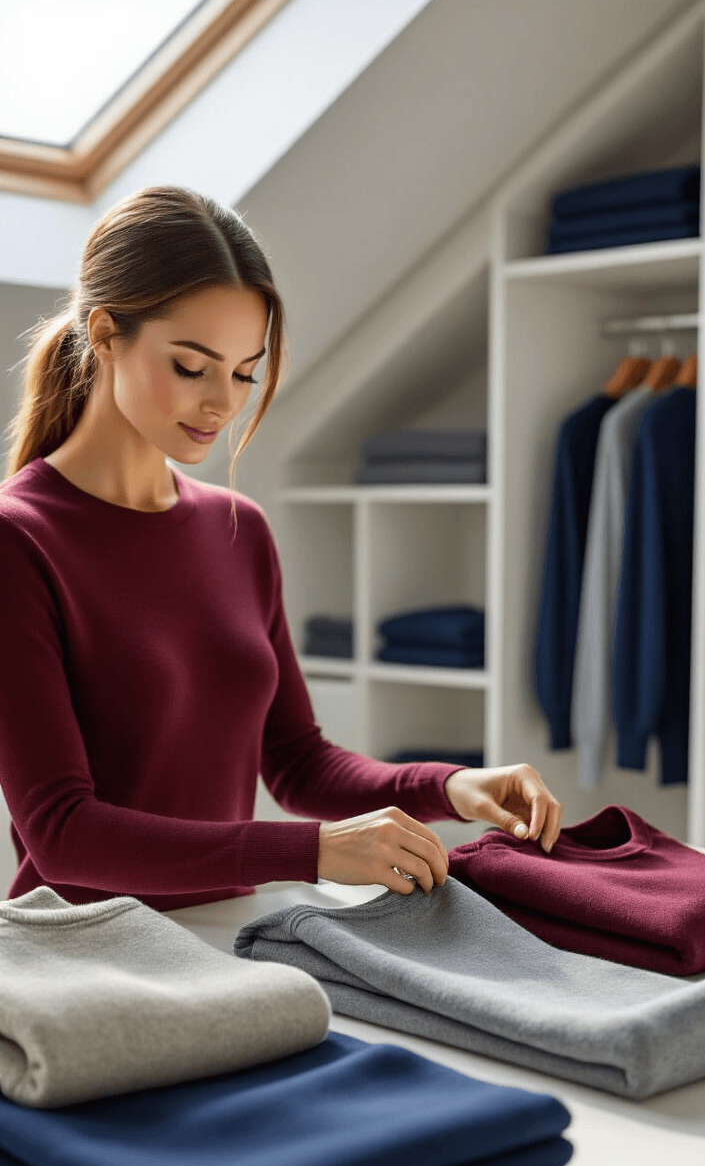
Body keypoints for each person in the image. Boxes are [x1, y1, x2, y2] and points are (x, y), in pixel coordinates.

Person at [0, 185, 562, 913]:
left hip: (233, 932)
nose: (223, 404)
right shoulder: (20, 540)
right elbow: (62, 835)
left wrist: (451, 787)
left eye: (243, 373)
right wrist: (316, 852)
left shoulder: (240, 528)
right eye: (191, 367)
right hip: (86, 959)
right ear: (106, 335)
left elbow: (297, 761)